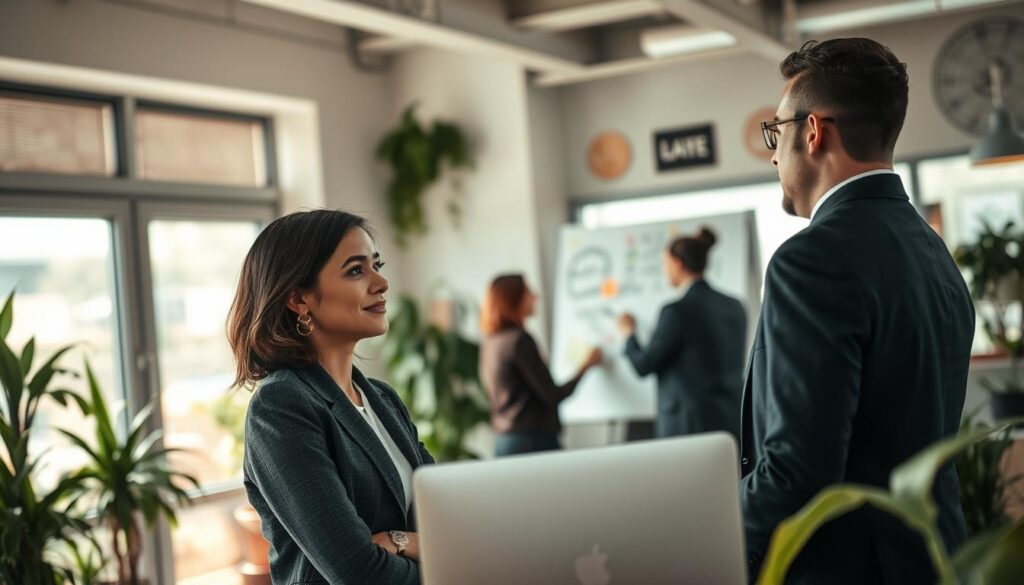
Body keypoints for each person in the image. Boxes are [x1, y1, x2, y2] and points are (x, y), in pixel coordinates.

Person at [740, 38, 973, 584]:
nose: (773, 154)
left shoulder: (811, 259)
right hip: (932, 561)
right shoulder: (930, 246)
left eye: (776, 133)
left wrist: (702, 533)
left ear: (814, 132)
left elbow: (799, 471)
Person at [228, 210, 433, 585]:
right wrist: (444, 561)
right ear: (298, 299)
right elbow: (359, 571)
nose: (382, 283)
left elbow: (444, 519)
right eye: (356, 271)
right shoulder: (280, 407)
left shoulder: (383, 400)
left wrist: (399, 542)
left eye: (376, 265)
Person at [617, 227, 747, 440]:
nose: (665, 270)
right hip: (731, 420)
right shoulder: (734, 306)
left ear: (678, 264)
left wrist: (628, 334)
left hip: (688, 427)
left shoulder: (676, 311)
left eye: (665, 263)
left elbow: (644, 365)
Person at [479, 274, 602, 456]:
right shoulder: (520, 341)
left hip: (504, 442)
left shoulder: (491, 343)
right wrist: (586, 366)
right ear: (514, 299)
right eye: (528, 292)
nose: (535, 297)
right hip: (531, 442)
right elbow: (552, 395)